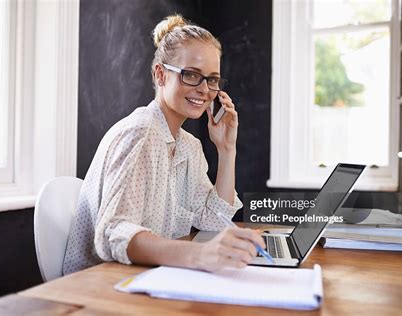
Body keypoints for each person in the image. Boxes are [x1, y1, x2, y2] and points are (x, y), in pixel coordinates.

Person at [63, 14, 265, 275]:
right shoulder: (140, 134)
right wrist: (201, 254)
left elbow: (215, 222)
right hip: (100, 286)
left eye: (212, 79)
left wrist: (227, 149)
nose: (204, 89)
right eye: (191, 75)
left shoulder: (188, 147)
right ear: (160, 75)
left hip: (150, 276)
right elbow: (114, 233)